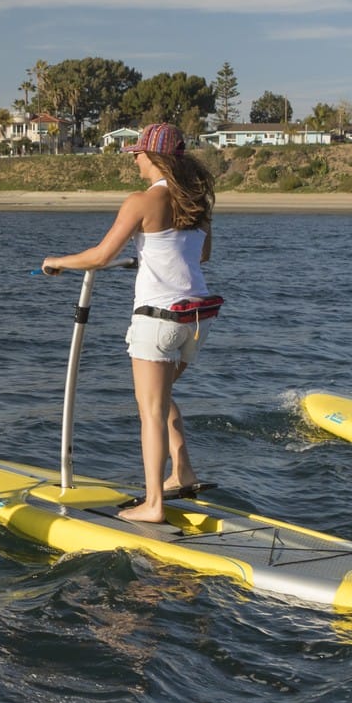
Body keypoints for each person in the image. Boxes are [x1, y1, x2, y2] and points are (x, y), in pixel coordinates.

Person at [42, 122, 217, 523]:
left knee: (150, 410)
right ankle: (183, 471)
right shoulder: (195, 201)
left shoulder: (140, 201)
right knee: (160, 392)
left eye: (137, 152)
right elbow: (198, 255)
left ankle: (153, 504)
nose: (134, 158)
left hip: (158, 318)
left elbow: (102, 256)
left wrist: (57, 262)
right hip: (197, 317)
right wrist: (149, 256)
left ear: (153, 157)